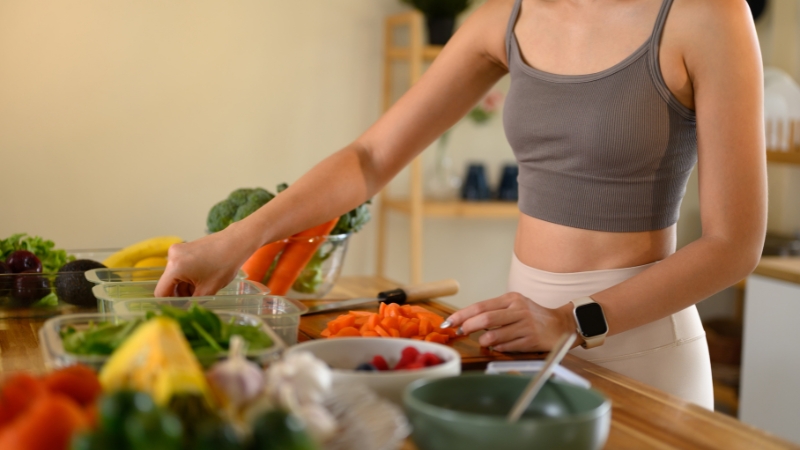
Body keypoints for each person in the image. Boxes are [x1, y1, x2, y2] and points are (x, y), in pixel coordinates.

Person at [155, 0, 766, 409]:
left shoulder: (706, 14)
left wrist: (573, 319)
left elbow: (733, 245)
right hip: (523, 340)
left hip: (638, 344)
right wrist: (232, 243)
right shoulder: (507, 16)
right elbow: (370, 157)